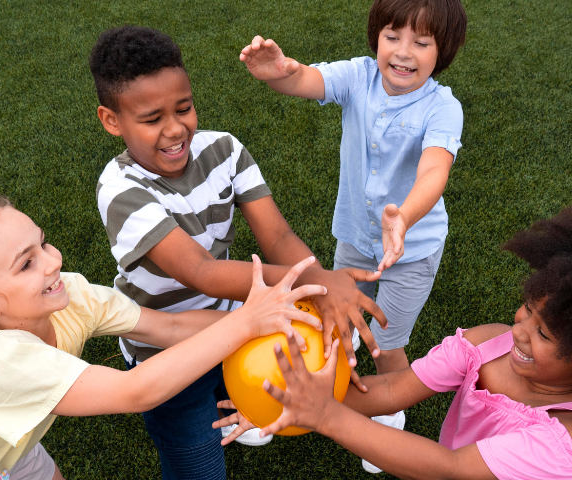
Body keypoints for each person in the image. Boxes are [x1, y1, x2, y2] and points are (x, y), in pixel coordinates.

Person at [218, 198, 572, 479]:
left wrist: (323, 415)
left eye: (542, 332)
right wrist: (283, 401)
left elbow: (449, 468)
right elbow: (391, 391)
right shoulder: (489, 344)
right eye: (527, 308)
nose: (518, 328)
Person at [88, 25, 387, 479]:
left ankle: (238, 401)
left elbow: (280, 239)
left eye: (184, 108)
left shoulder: (225, 150)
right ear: (112, 121)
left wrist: (315, 281)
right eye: (152, 119)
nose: (175, 129)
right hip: (167, 353)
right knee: (200, 467)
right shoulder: (120, 190)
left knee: (246, 396)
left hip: (240, 325)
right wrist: (320, 283)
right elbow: (201, 272)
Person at [0, 192, 326, 480]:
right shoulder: (3, 362)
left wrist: (265, 319)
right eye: (26, 263)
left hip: (4, 445)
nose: (52, 261)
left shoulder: (70, 294)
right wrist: (245, 323)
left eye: (43, 244)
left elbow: (167, 327)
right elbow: (136, 391)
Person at [239, 1, 467, 465]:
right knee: (335, 320)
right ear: (375, 38)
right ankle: (310, 391)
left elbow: (434, 171)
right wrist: (277, 72)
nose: (403, 53)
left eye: (421, 43)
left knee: (387, 343)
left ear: (443, 51)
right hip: (355, 239)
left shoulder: (443, 107)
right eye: (392, 37)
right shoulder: (358, 76)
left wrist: (403, 218)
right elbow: (305, 79)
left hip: (414, 249)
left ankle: (389, 414)